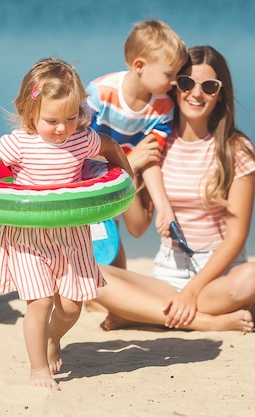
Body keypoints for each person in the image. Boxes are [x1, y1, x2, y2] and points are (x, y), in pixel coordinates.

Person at [0, 58, 133, 390]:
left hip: (71, 236)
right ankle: (38, 369)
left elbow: (111, 147)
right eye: (52, 120)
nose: (62, 128)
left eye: (71, 117)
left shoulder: (81, 139)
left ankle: (51, 339)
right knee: (41, 302)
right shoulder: (20, 143)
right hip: (28, 237)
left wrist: (124, 180)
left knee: (71, 308)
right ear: (30, 113)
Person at [91, 45, 255, 332]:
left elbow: (237, 237)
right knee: (89, 274)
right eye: (186, 83)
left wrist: (191, 292)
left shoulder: (236, 149)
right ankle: (205, 322)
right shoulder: (156, 143)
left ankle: (144, 313)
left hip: (218, 279)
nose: (196, 94)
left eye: (209, 86)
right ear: (175, 87)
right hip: (169, 278)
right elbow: (137, 227)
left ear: (220, 93)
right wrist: (129, 166)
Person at [85, 20, 188, 269]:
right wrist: (129, 160)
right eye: (169, 74)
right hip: (89, 173)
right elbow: (76, 148)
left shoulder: (164, 107)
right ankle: (110, 291)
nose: (174, 82)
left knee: (135, 226)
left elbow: (150, 156)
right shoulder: (99, 94)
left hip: (126, 173)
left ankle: (116, 287)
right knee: (104, 225)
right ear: (139, 66)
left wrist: (164, 207)